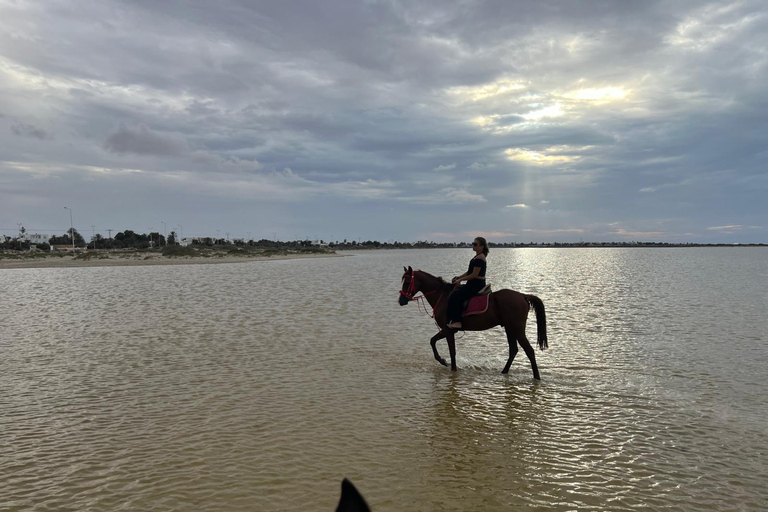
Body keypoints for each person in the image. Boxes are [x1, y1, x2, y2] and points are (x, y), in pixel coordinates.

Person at [446, 237, 488, 329]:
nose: (473, 246)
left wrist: (460, 280)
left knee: (456, 295)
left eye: (475, 244)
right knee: (455, 290)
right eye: (473, 243)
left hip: (476, 285)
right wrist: (459, 277)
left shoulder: (480, 258)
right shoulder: (477, 256)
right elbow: (469, 272)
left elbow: (474, 274)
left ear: (482, 246)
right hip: (472, 283)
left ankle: (457, 321)